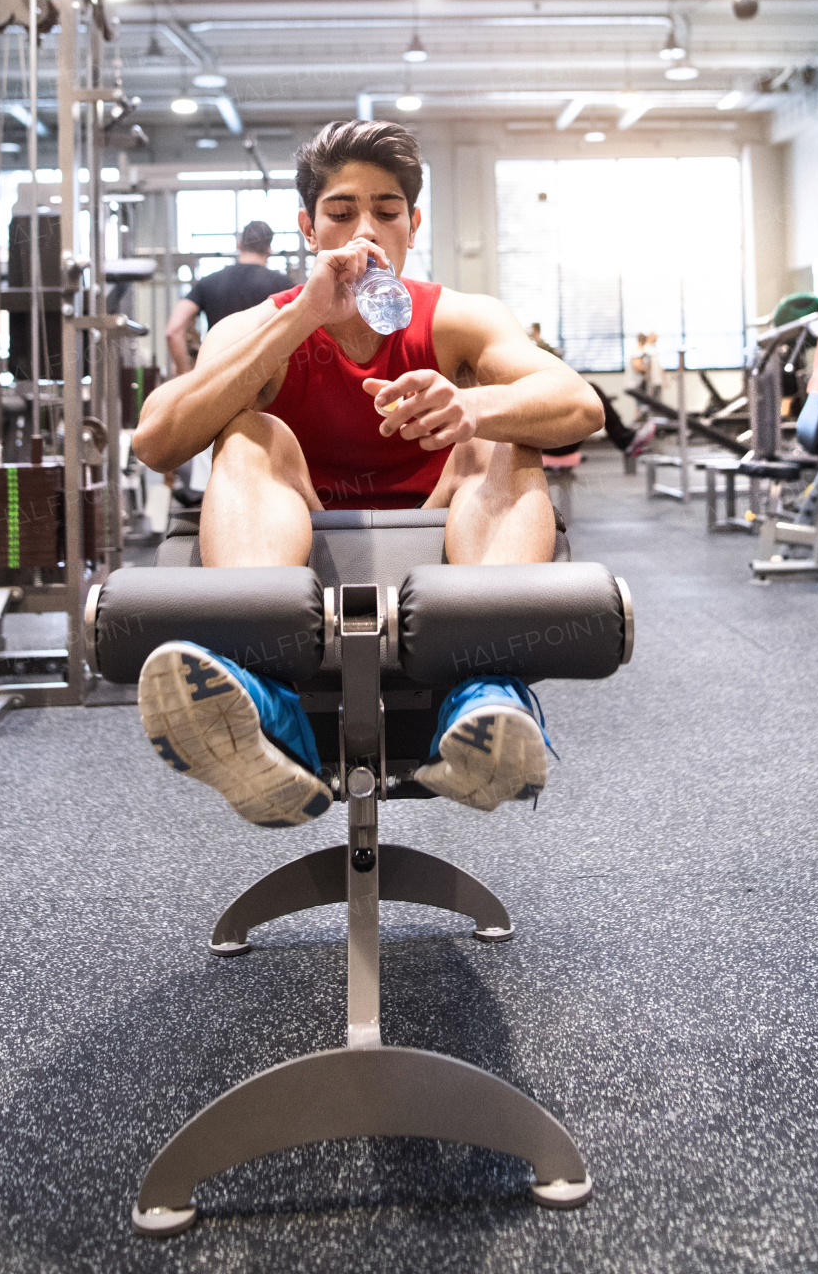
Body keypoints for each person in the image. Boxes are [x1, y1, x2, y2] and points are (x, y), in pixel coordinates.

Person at [132, 119, 603, 828]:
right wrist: (299, 322)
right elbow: (157, 441)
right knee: (247, 432)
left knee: (504, 435)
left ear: (413, 224)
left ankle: (485, 697)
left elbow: (579, 404)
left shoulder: (458, 319)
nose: (366, 230)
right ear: (308, 226)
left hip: (449, 548)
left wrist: (472, 404)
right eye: (341, 212)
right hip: (301, 556)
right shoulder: (260, 326)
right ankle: (271, 707)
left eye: (386, 212)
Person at [165, 220, 281, 374]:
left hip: (218, 378)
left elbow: (173, 331)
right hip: (265, 380)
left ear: (240, 245)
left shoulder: (208, 282)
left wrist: (186, 375)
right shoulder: (284, 286)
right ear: (269, 249)